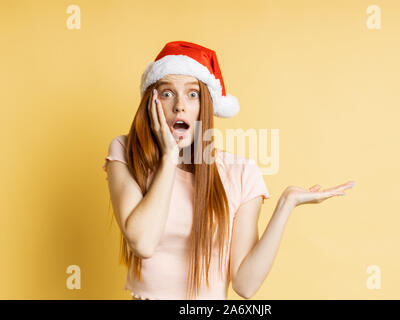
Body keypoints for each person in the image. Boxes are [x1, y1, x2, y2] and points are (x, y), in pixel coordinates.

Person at [102, 41, 355, 300]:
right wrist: (169, 156)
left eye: (193, 94)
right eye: (167, 93)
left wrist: (286, 204)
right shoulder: (126, 152)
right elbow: (143, 242)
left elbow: (245, 285)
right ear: (151, 104)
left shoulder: (241, 173)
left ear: (206, 107)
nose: (179, 106)